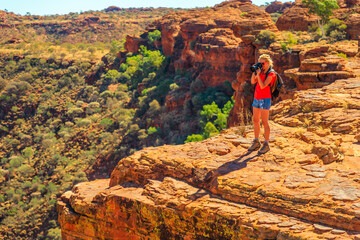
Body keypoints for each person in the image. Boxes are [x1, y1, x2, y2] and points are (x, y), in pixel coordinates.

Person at [248, 54, 276, 154]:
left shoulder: (271, 74)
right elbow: (252, 82)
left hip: (265, 99)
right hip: (257, 98)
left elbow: (263, 86)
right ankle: (256, 141)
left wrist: (259, 75)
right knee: (255, 120)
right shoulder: (261, 72)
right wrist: (254, 71)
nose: (261, 65)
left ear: (268, 63)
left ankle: (266, 144)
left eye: (262, 63)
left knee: (264, 122)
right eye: (259, 63)